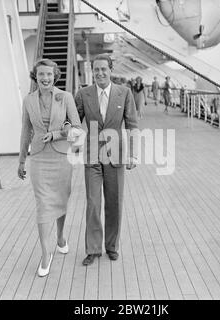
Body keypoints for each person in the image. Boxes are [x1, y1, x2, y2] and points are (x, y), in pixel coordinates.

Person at [18, 59, 83, 277]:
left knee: (60, 199)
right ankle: (46, 254)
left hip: (61, 156)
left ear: (55, 76)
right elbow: (25, 131)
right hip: (38, 157)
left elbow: (76, 127)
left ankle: (61, 236)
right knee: (43, 204)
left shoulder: (65, 97)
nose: (45, 78)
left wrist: (56, 134)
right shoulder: (28, 100)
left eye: (49, 74)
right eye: (41, 74)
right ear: (35, 77)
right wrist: (20, 160)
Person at [75, 54, 139, 266]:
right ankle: (93, 249)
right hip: (92, 155)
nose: (100, 73)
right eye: (96, 70)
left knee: (114, 202)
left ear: (111, 70)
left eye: (104, 69)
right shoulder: (84, 94)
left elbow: (132, 125)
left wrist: (133, 153)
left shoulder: (124, 93)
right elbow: (73, 121)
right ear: (92, 71)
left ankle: (112, 247)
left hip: (116, 154)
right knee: (93, 202)